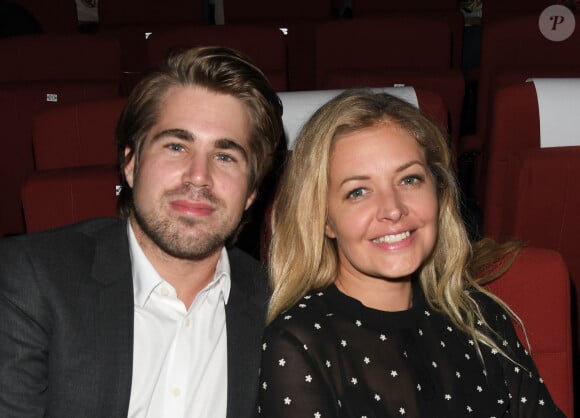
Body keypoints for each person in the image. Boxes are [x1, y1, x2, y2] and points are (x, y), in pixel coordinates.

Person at [0, 46, 283, 417]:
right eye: (176, 146)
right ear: (130, 165)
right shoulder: (34, 280)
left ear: (251, 192)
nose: (199, 176)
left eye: (225, 156)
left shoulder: (277, 305)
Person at [258, 90, 564, 417]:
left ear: (438, 190)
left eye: (409, 179)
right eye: (358, 192)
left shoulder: (478, 316)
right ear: (324, 220)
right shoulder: (298, 344)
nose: (392, 209)